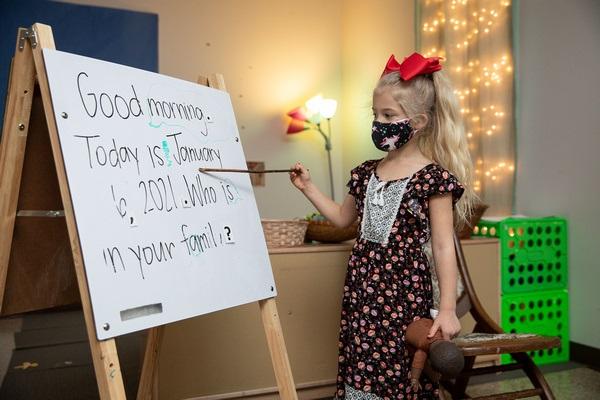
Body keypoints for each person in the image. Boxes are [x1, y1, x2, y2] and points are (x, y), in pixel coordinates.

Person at [289, 52, 477, 399]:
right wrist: (309, 188)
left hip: (404, 292)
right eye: (376, 114)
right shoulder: (364, 172)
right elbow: (344, 220)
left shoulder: (434, 179)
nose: (379, 122)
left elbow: (442, 246)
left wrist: (448, 309)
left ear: (418, 121)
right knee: (360, 363)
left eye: (389, 115)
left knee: (399, 369)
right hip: (362, 290)